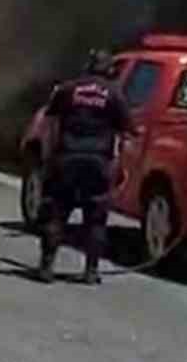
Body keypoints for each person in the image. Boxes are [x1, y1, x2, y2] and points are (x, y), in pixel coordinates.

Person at [37, 48, 135, 286]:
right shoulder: (114, 95)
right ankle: (91, 271)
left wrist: (48, 158)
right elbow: (128, 132)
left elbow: (50, 125)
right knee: (95, 219)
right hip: (98, 162)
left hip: (66, 158)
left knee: (57, 213)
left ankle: (47, 267)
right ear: (110, 70)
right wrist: (121, 166)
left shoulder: (67, 90)